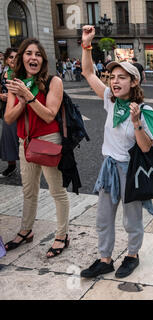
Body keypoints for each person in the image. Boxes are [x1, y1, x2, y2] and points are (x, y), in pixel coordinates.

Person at [78, 25, 153, 279]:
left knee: (131, 220)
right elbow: (88, 73)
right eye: (112, 77)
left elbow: (146, 147)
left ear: (134, 82)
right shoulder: (110, 99)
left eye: (122, 77)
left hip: (131, 170)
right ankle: (105, 259)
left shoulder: (145, 110)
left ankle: (132, 255)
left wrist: (136, 123)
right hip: (109, 166)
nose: (114, 81)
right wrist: (86, 45)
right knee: (103, 217)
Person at [3, 38, 70, 258]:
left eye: (38, 54)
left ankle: (62, 235)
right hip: (26, 141)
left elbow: (49, 114)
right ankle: (25, 230)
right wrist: (21, 100)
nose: (33, 57)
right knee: (28, 190)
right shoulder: (16, 81)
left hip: (49, 140)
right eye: (29, 53)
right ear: (22, 57)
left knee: (56, 191)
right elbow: (9, 118)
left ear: (43, 59)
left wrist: (29, 96)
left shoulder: (54, 81)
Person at [0, 48, 19, 178]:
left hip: (20, 108)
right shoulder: (3, 73)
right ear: (6, 60)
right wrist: (1, 95)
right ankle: (11, 165)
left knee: (24, 138)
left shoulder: (23, 72)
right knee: (8, 137)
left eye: (16, 57)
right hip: (7, 109)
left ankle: (31, 166)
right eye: (11, 57)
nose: (13, 60)